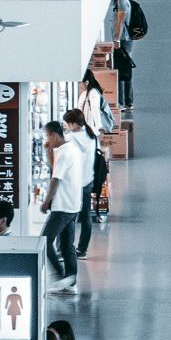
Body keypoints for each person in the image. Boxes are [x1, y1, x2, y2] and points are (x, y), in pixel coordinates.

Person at [37, 121, 83, 293]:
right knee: (67, 245)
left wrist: (46, 202)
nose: (47, 140)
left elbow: (55, 179)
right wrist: (48, 152)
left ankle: (58, 277)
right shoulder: (71, 149)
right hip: (73, 204)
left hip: (62, 206)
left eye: (47, 136)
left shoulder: (64, 153)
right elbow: (56, 169)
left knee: (45, 240)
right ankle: (70, 281)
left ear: (54, 135)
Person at [62, 108, 100, 262]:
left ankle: (65, 249)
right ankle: (82, 249)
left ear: (74, 123)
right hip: (88, 180)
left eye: (67, 122)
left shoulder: (69, 138)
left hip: (73, 183)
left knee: (68, 216)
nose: (65, 125)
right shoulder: (92, 135)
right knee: (86, 217)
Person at [109, 0, 137, 110]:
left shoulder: (121, 2)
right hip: (125, 39)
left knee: (120, 71)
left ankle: (121, 102)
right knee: (125, 70)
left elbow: (121, 21)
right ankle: (127, 102)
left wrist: (116, 40)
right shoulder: (123, 0)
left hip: (123, 40)